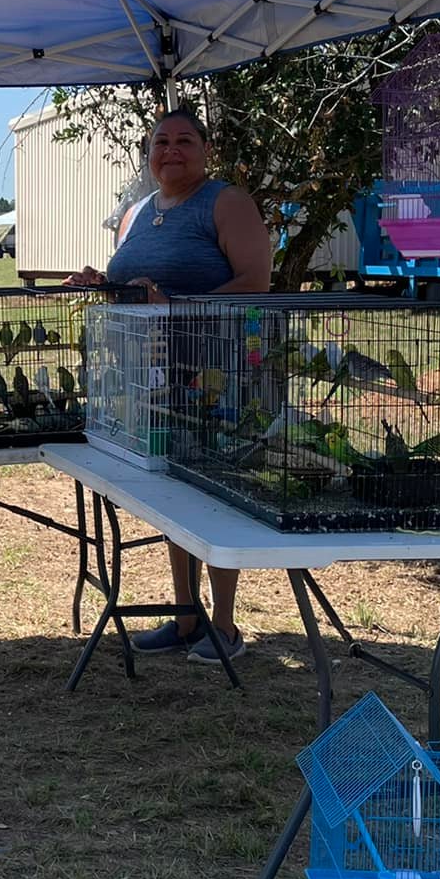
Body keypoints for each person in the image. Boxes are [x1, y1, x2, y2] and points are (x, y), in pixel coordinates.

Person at [66, 105, 271, 661]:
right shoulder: (137, 211)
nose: (172, 150)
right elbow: (131, 287)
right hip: (153, 380)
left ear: (205, 151)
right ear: (149, 154)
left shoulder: (225, 202)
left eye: (185, 140)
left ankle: (223, 627)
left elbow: (256, 282)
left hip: (218, 375)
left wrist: (175, 306)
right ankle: (184, 618)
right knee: (172, 494)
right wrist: (100, 283)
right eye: (161, 142)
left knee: (216, 493)